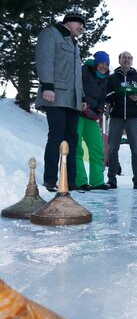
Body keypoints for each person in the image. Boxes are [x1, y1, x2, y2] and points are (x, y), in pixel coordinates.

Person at [35, 11, 87, 192]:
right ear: (69, 22)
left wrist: (82, 97)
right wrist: (47, 86)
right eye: (79, 24)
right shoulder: (51, 34)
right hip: (55, 96)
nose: (82, 28)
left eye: (83, 26)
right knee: (56, 136)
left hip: (72, 100)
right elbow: (44, 60)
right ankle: (50, 180)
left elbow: (77, 74)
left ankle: (69, 181)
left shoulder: (74, 44)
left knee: (72, 140)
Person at [106, 51, 137, 189]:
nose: (126, 60)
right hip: (116, 117)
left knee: (136, 150)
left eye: (129, 58)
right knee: (113, 149)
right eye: (124, 57)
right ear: (119, 60)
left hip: (133, 118)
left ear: (132, 61)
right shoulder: (112, 78)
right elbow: (106, 96)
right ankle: (111, 180)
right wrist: (117, 93)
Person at [75, 51, 111, 190]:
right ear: (96, 63)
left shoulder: (105, 78)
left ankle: (97, 181)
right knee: (77, 148)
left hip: (91, 116)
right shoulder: (84, 70)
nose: (104, 66)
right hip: (78, 113)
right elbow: (78, 87)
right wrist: (82, 103)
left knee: (97, 148)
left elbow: (102, 98)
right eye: (101, 63)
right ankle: (80, 181)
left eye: (106, 64)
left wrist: (99, 111)